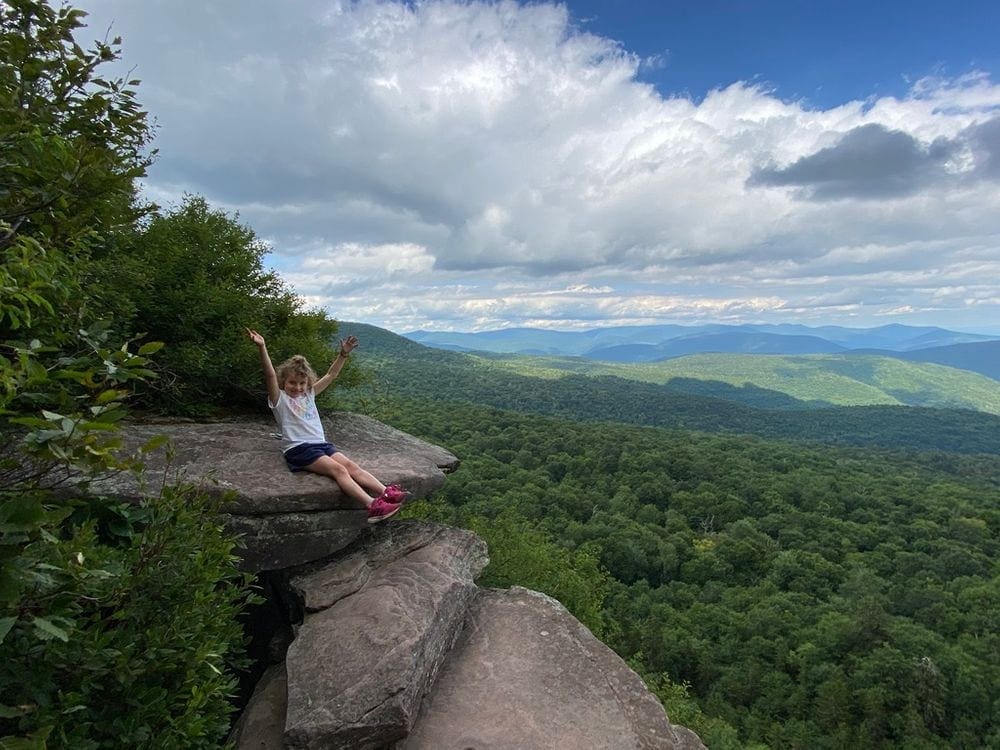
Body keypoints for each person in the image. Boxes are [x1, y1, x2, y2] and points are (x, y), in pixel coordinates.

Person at [246, 327, 410, 523]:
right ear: (284, 382)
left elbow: (331, 375)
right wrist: (262, 347)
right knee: (338, 470)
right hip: (299, 449)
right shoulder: (279, 399)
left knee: (351, 465)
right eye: (292, 382)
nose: (297, 387)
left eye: (301, 383)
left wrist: (343, 354)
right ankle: (372, 506)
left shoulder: (309, 395)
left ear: (307, 383)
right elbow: (270, 375)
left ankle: (385, 492)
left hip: (320, 445)